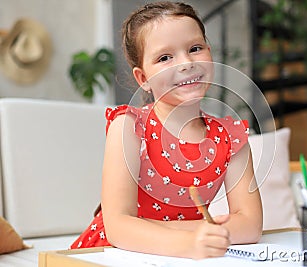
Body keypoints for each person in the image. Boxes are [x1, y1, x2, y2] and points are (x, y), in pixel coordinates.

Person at [70, 1, 262, 259]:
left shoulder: (231, 136)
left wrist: (179, 237)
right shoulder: (128, 127)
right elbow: (118, 227)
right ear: (143, 79)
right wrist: (190, 240)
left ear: (210, 52)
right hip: (111, 254)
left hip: (178, 256)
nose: (185, 64)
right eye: (164, 58)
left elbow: (250, 226)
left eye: (195, 48)